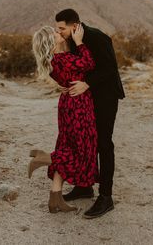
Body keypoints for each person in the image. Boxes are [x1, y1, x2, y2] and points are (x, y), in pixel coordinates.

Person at [55, 8, 125, 219]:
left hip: (105, 97)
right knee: (84, 142)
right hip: (84, 98)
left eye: (62, 28)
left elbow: (110, 68)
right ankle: (84, 187)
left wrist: (87, 84)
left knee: (103, 143)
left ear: (74, 25)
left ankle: (106, 197)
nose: (59, 32)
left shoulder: (96, 37)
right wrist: (66, 86)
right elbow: (74, 68)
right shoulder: (71, 41)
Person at [28, 24, 99, 213]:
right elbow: (90, 64)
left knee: (68, 145)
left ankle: (55, 199)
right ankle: (45, 157)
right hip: (79, 106)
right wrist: (79, 42)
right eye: (54, 33)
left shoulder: (53, 62)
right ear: (50, 42)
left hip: (67, 104)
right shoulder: (65, 59)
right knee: (81, 148)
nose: (58, 32)